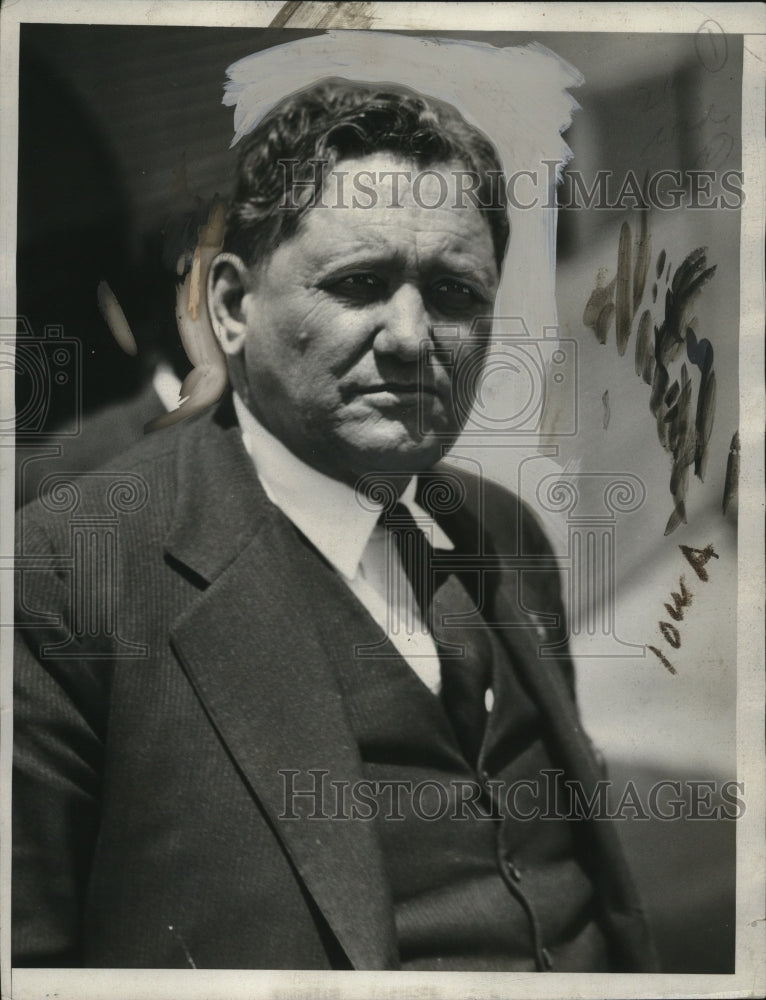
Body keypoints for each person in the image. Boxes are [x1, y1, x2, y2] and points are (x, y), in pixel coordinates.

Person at [13, 76, 657, 972]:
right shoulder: (63, 580)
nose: (410, 335)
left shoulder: (504, 536)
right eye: (359, 283)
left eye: (455, 293)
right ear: (232, 309)